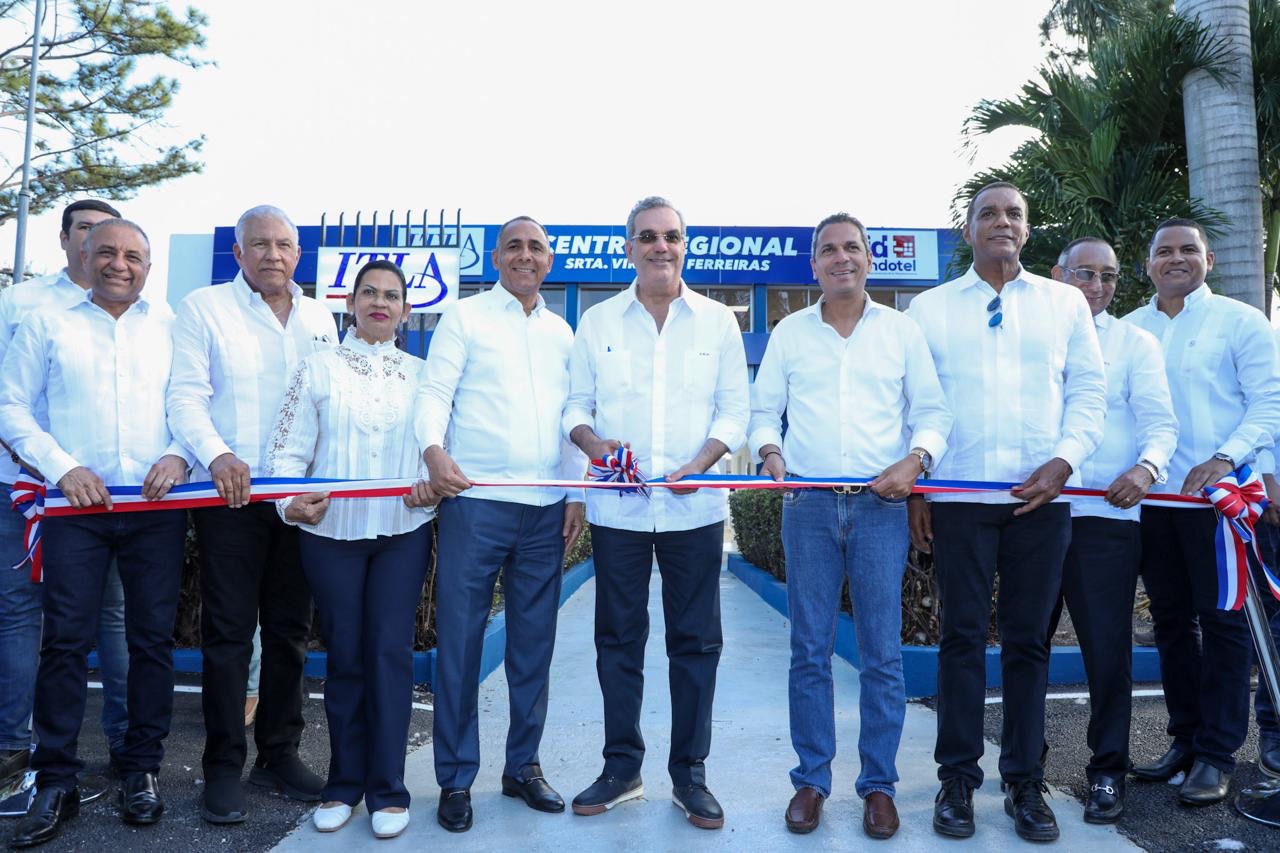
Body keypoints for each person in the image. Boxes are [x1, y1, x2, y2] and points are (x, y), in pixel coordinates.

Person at [906, 182, 1106, 842]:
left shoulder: (1064, 303)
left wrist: (1066, 461)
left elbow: (1089, 394)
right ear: (967, 230)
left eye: (1013, 213)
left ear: (1028, 228)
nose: (1001, 221)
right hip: (959, 499)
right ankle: (957, 780)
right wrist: (920, 489)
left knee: (1028, 642)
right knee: (960, 638)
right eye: (987, 213)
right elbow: (916, 405)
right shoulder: (930, 309)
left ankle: (1025, 781)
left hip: (1039, 500)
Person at [750, 213, 951, 838]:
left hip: (879, 507)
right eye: (829, 250)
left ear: (869, 259)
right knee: (808, 650)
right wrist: (770, 452)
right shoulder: (790, 332)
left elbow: (933, 411)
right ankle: (811, 780)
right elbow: (763, 411)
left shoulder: (901, 331)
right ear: (814, 265)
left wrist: (916, 461)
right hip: (807, 505)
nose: (841, 257)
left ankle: (879, 786)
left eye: (852, 248)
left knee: (881, 655)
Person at [0, 219, 190, 847]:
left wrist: (179, 454)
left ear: (148, 266)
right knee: (64, 643)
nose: (119, 264)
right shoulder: (47, 322)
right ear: (85, 254)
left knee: (150, 642)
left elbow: (193, 402)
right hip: (75, 506)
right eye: (107, 251)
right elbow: (10, 406)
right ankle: (56, 779)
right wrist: (62, 468)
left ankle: (140, 770)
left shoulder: (171, 326)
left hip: (155, 507)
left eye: (133, 255)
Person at [564, 197, 749, 830]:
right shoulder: (597, 322)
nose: (659, 246)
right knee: (617, 640)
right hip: (617, 512)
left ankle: (690, 775)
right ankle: (622, 769)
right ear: (630, 247)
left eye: (670, 235)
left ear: (684, 245)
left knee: (695, 643)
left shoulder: (719, 323)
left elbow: (734, 410)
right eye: (647, 236)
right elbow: (576, 406)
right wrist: (592, 444)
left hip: (694, 512)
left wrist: (704, 459)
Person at [167, 204, 338, 823]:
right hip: (230, 499)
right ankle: (221, 768)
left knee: (290, 631)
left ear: (298, 254)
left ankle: (278, 754)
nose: (272, 254)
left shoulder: (320, 318)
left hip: (298, 501)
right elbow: (185, 396)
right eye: (259, 244)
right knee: (229, 634)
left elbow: (330, 403)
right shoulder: (204, 308)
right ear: (238, 253)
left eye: (283, 244)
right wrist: (217, 455)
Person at [416, 216, 585, 833]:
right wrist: (433, 451)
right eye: (514, 245)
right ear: (496, 257)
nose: (525, 255)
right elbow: (434, 392)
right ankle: (456, 778)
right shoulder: (465, 317)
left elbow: (573, 415)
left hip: (544, 512)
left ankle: (522, 768)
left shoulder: (563, 332)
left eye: (536, 247)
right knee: (460, 646)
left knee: (533, 648)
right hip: (476, 505)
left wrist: (575, 491)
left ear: (549, 261)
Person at [265, 259, 434, 840]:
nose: (380, 303)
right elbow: (285, 453)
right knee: (345, 659)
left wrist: (430, 487)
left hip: (402, 531)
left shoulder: (423, 376)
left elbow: (440, 449)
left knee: (390, 655)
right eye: (369, 293)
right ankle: (343, 786)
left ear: (405, 310)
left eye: (391, 295)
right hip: (329, 534)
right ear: (351, 303)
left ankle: (388, 791)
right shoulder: (317, 368)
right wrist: (288, 503)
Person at [1124, 218, 1280, 804]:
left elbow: (1269, 402)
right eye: (1163, 251)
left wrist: (1226, 457)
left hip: (1219, 502)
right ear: (1147, 264)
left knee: (1223, 624)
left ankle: (1217, 754)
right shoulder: (1129, 329)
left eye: (1188, 249)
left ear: (1208, 260)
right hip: (1152, 501)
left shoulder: (1241, 321)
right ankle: (1185, 740)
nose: (1176, 258)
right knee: (1169, 622)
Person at [1043, 237, 1177, 822]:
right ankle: (1024, 768)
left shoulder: (1135, 343)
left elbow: (1160, 424)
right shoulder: (1031, 333)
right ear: (1059, 275)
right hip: (1033, 517)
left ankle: (1107, 770)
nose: (1096, 287)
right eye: (1084, 274)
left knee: (1106, 652)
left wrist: (1146, 469)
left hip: (1105, 518)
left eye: (1109, 276)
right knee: (1027, 646)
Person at [0, 200, 130, 788]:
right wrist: (43, 465)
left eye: (108, 233)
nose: (96, 241)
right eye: (86, 229)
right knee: (20, 611)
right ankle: (13, 743)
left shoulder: (139, 312)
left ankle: (124, 741)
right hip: (22, 485)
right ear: (65, 239)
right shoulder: (21, 303)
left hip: (103, 497)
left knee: (112, 615)